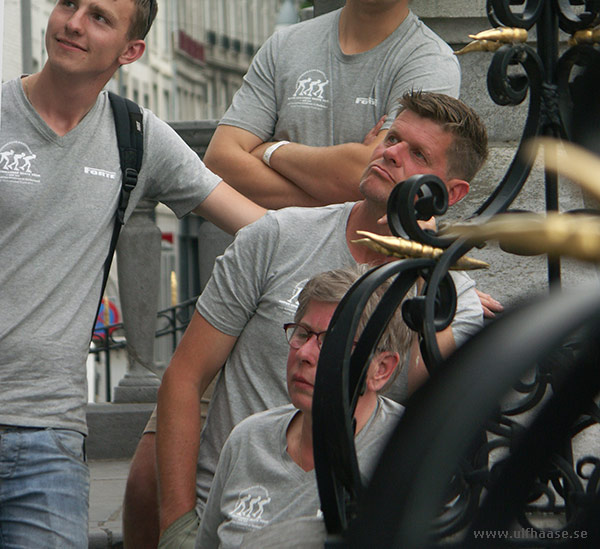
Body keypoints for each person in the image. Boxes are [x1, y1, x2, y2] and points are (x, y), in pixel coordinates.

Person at [0, 0, 265, 549]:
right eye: (69, 4)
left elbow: (259, 227)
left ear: (131, 52)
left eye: (99, 17)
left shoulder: (136, 137)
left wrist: (398, 260)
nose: (73, 22)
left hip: (50, 437)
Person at [150, 92, 488, 549]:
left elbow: (441, 414)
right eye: (392, 138)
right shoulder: (276, 236)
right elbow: (185, 377)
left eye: (418, 154)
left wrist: (431, 269)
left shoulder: (453, 299)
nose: (391, 153)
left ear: (450, 194)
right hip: (233, 515)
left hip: (346, 522)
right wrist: (177, 528)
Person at [204, 0, 462, 209]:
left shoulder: (430, 63)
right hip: (276, 260)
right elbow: (219, 161)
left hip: (369, 261)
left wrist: (269, 150)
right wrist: (343, 186)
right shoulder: (285, 46)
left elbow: (387, 180)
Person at [195, 267, 411, 548]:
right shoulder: (248, 440)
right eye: (302, 333)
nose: (305, 354)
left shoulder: (408, 448)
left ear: (381, 369)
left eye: (331, 341)